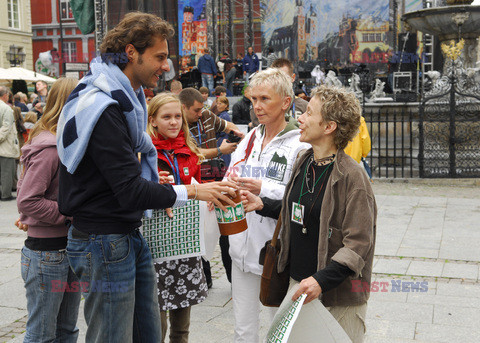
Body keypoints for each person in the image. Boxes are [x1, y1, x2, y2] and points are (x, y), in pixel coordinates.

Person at [56, 13, 237, 343]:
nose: (166, 66)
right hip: (103, 240)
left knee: (149, 334)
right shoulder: (106, 107)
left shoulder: (127, 101)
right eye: (160, 57)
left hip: (124, 234)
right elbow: (128, 190)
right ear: (130, 53)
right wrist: (195, 192)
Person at [242, 86, 377, 343]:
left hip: (336, 297)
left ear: (329, 127)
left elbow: (358, 244)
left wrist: (320, 281)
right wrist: (263, 204)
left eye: (309, 113)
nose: (300, 118)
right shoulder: (304, 161)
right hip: (299, 285)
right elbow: (299, 210)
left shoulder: (353, 178)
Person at [224, 68, 310, 343]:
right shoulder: (250, 138)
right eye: (253, 100)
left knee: (279, 332)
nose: (257, 106)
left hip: (277, 251)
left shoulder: (301, 143)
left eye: (264, 99)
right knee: (243, 330)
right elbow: (232, 174)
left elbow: (303, 198)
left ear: (286, 102)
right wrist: (225, 189)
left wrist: (264, 189)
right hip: (241, 248)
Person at [16, 77, 81, 343]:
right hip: (47, 254)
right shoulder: (50, 148)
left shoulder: (64, 143)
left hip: (68, 248)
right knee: (42, 334)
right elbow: (28, 200)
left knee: (67, 330)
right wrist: (70, 213)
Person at [146, 93, 208, 343]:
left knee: (182, 328)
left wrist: (207, 197)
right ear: (153, 121)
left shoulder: (190, 150)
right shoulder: (143, 154)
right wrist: (152, 183)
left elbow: (198, 187)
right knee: (155, 324)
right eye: (166, 117)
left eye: (177, 117)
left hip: (185, 243)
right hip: (155, 245)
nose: (173, 122)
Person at [250, 58, 308, 127]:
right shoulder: (258, 108)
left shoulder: (305, 106)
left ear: (293, 77)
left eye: (284, 77)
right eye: (275, 78)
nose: (280, 82)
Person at [0, 86, 20, 201]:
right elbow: (6, 127)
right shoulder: (6, 109)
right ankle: (5, 194)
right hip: (6, 145)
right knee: (7, 172)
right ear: (5, 95)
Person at [215, 96, 232, 168]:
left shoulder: (224, 116)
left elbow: (222, 131)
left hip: (222, 140)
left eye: (220, 103)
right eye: (217, 103)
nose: (218, 105)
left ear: (226, 105)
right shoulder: (222, 115)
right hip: (221, 140)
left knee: (224, 163)